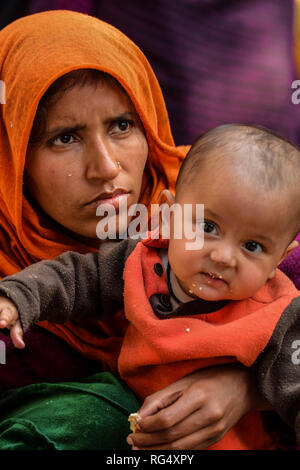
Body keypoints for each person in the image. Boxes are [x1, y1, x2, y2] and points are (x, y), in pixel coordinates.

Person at [0, 10, 281, 450]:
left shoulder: (225, 202)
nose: (106, 167)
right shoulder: (12, 288)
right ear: (11, 155)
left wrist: (246, 389)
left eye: (122, 125)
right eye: (64, 138)